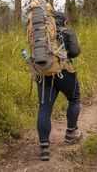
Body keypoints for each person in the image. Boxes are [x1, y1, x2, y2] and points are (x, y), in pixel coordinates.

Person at [37, 11, 82, 161]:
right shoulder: (67, 32)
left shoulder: (41, 34)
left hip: (44, 73)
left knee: (44, 107)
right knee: (74, 98)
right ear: (64, 22)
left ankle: (44, 147)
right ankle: (71, 133)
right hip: (64, 72)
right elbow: (75, 52)